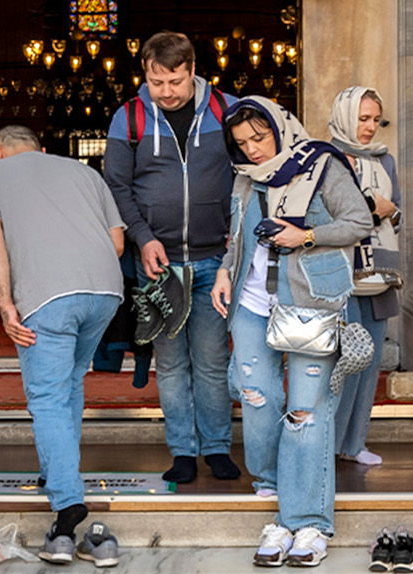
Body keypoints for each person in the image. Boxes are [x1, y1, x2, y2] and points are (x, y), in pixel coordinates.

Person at [209, 97, 371, 568]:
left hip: (309, 301)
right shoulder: (244, 176)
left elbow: (359, 221)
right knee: (257, 396)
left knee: (306, 410)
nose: (254, 150)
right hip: (252, 301)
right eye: (242, 143)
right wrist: (225, 271)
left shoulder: (320, 164)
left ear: (280, 128)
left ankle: (309, 521)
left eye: (259, 138)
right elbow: (237, 237)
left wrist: (306, 236)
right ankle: (275, 489)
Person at [0, 125, 127, 565]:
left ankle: (67, 502)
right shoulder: (85, 173)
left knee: (48, 397)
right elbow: (116, 242)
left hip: (47, 297)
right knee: (70, 384)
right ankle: (57, 471)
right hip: (106, 292)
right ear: (41, 148)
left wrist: (4, 306)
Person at [104, 31, 239, 486]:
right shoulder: (129, 119)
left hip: (213, 260)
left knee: (212, 359)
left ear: (193, 70)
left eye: (174, 82)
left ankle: (217, 447)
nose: (165, 92)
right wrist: (142, 238)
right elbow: (116, 188)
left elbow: (251, 175)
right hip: (158, 266)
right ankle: (183, 450)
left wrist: (234, 244)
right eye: (156, 82)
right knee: (172, 363)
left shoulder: (229, 110)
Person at [328, 86, 401, 468]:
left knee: (371, 359)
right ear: (345, 115)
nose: (371, 127)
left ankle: (354, 443)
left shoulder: (384, 161)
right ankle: (328, 441)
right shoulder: (324, 160)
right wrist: (371, 214)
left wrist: (389, 212)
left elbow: (398, 212)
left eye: (376, 119)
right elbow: (322, 217)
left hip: (378, 271)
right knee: (345, 360)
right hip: (339, 272)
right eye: (363, 118)